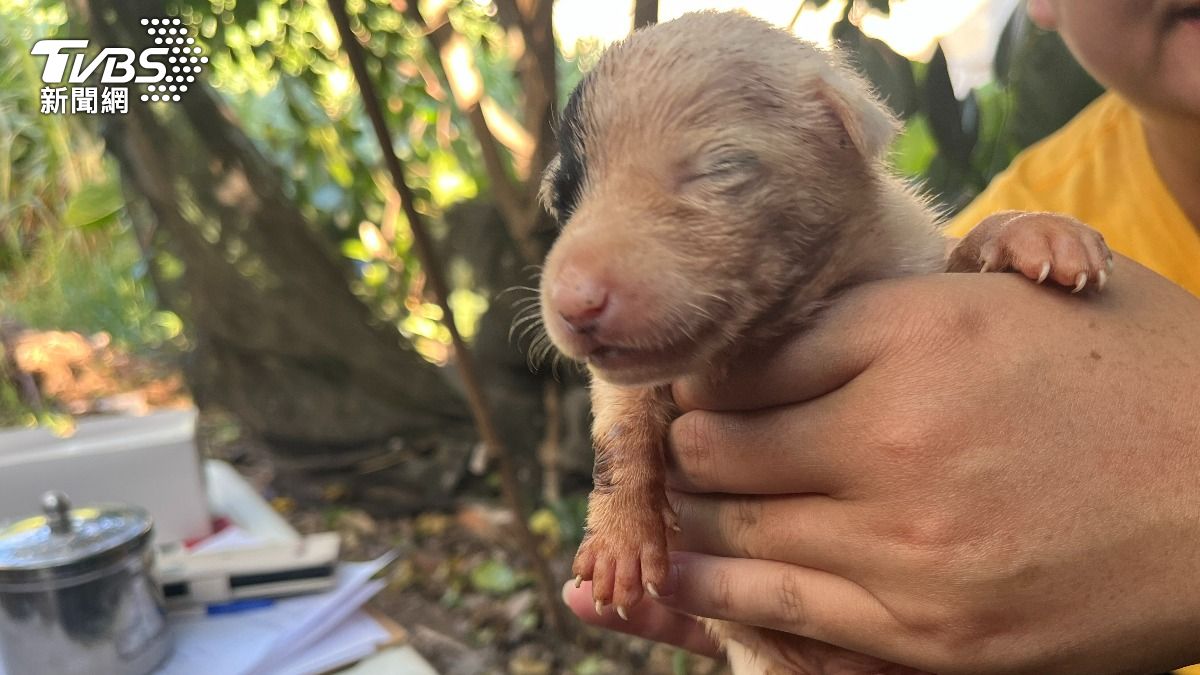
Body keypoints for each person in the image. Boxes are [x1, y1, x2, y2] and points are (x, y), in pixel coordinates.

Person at [562, 0, 1200, 672]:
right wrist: (624, 499)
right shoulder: (1044, 185)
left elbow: (938, 282)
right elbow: (955, 310)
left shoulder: (885, 230)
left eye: (719, 171)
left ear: (837, 135)